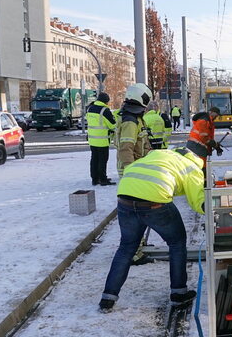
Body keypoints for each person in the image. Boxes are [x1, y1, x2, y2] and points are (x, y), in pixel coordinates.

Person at [98, 144, 206, 312]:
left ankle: (107, 298)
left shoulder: (159, 155)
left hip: (125, 197)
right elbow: (197, 200)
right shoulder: (193, 167)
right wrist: (211, 206)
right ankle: (178, 293)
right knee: (177, 244)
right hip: (155, 202)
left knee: (126, 248)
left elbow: (138, 172)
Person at [115, 83, 153, 176]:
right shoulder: (130, 121)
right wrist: (130, 172)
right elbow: (126, 148)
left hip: (137, 167)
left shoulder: (135, 118)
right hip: (133, 170)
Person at [86, 92, 116, 186]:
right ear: (106, 101)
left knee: (94, 159)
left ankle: (95, 179)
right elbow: (112, 125)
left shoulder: (90, 108)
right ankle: (103, 179)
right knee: (103, 160)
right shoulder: (105, 110)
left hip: (92, 139)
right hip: (102, 140)